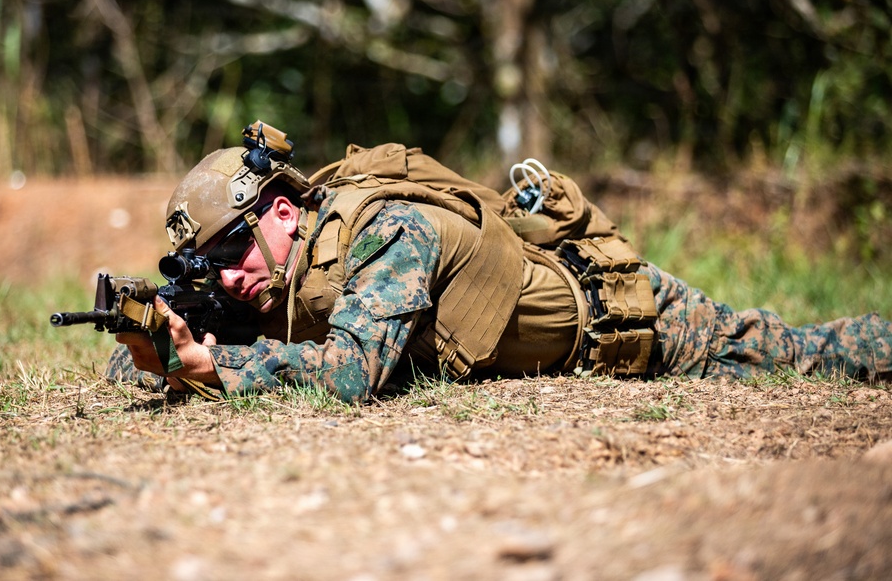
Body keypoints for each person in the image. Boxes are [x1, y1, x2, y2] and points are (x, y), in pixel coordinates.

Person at [107, 120, 892, 402]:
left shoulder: (386, 229)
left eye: (233, 248)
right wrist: (155, 349)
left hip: (622, 322)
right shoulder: (293, 259)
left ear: (282, 209)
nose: (230, 274)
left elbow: (349, 375)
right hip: (566, 335)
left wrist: (208, 368)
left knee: (804, 354)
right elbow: (189, 348)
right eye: (209, 266)